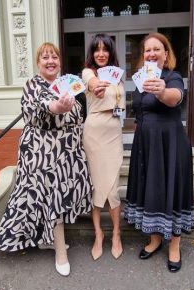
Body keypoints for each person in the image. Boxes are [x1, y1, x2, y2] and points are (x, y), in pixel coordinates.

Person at [0, 42, 93, 276]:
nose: (50, 61)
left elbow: (76, 116)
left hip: (65, 153)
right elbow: (38, 106)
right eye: (45, 57)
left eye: (54, 57)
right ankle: (60, 252)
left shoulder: (67, 86)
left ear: (59, 62)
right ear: (38, 63)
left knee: (54, 197)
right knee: (52, 197)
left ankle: (46, 239)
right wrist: (55, 107)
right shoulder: (33, 85)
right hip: (41, 152)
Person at [124, 33, 194, 272]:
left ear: (166, 54)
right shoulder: (141, 79)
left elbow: (175, 98)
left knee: (172, 190)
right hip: (146, 145)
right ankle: (154, 239)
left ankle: (174, 244)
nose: (151, 54)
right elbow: (140, 111)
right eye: (147, 50)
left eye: (157, 49)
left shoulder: (172, 77)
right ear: (143, 56)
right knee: (151, 190)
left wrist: (162, 92)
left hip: (170, 145)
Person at [82, 33, 125, 260]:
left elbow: (121, 106)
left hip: (114, 131)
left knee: (113, 188)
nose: (101, 53)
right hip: (95, 131)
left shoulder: (118, 77)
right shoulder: (88, 72)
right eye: (97, 49)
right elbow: (93, 84)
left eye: (105, 49)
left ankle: (116, 234)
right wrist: (97, 86)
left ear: (110, 52)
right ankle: (98, 234)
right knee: (98, 187)